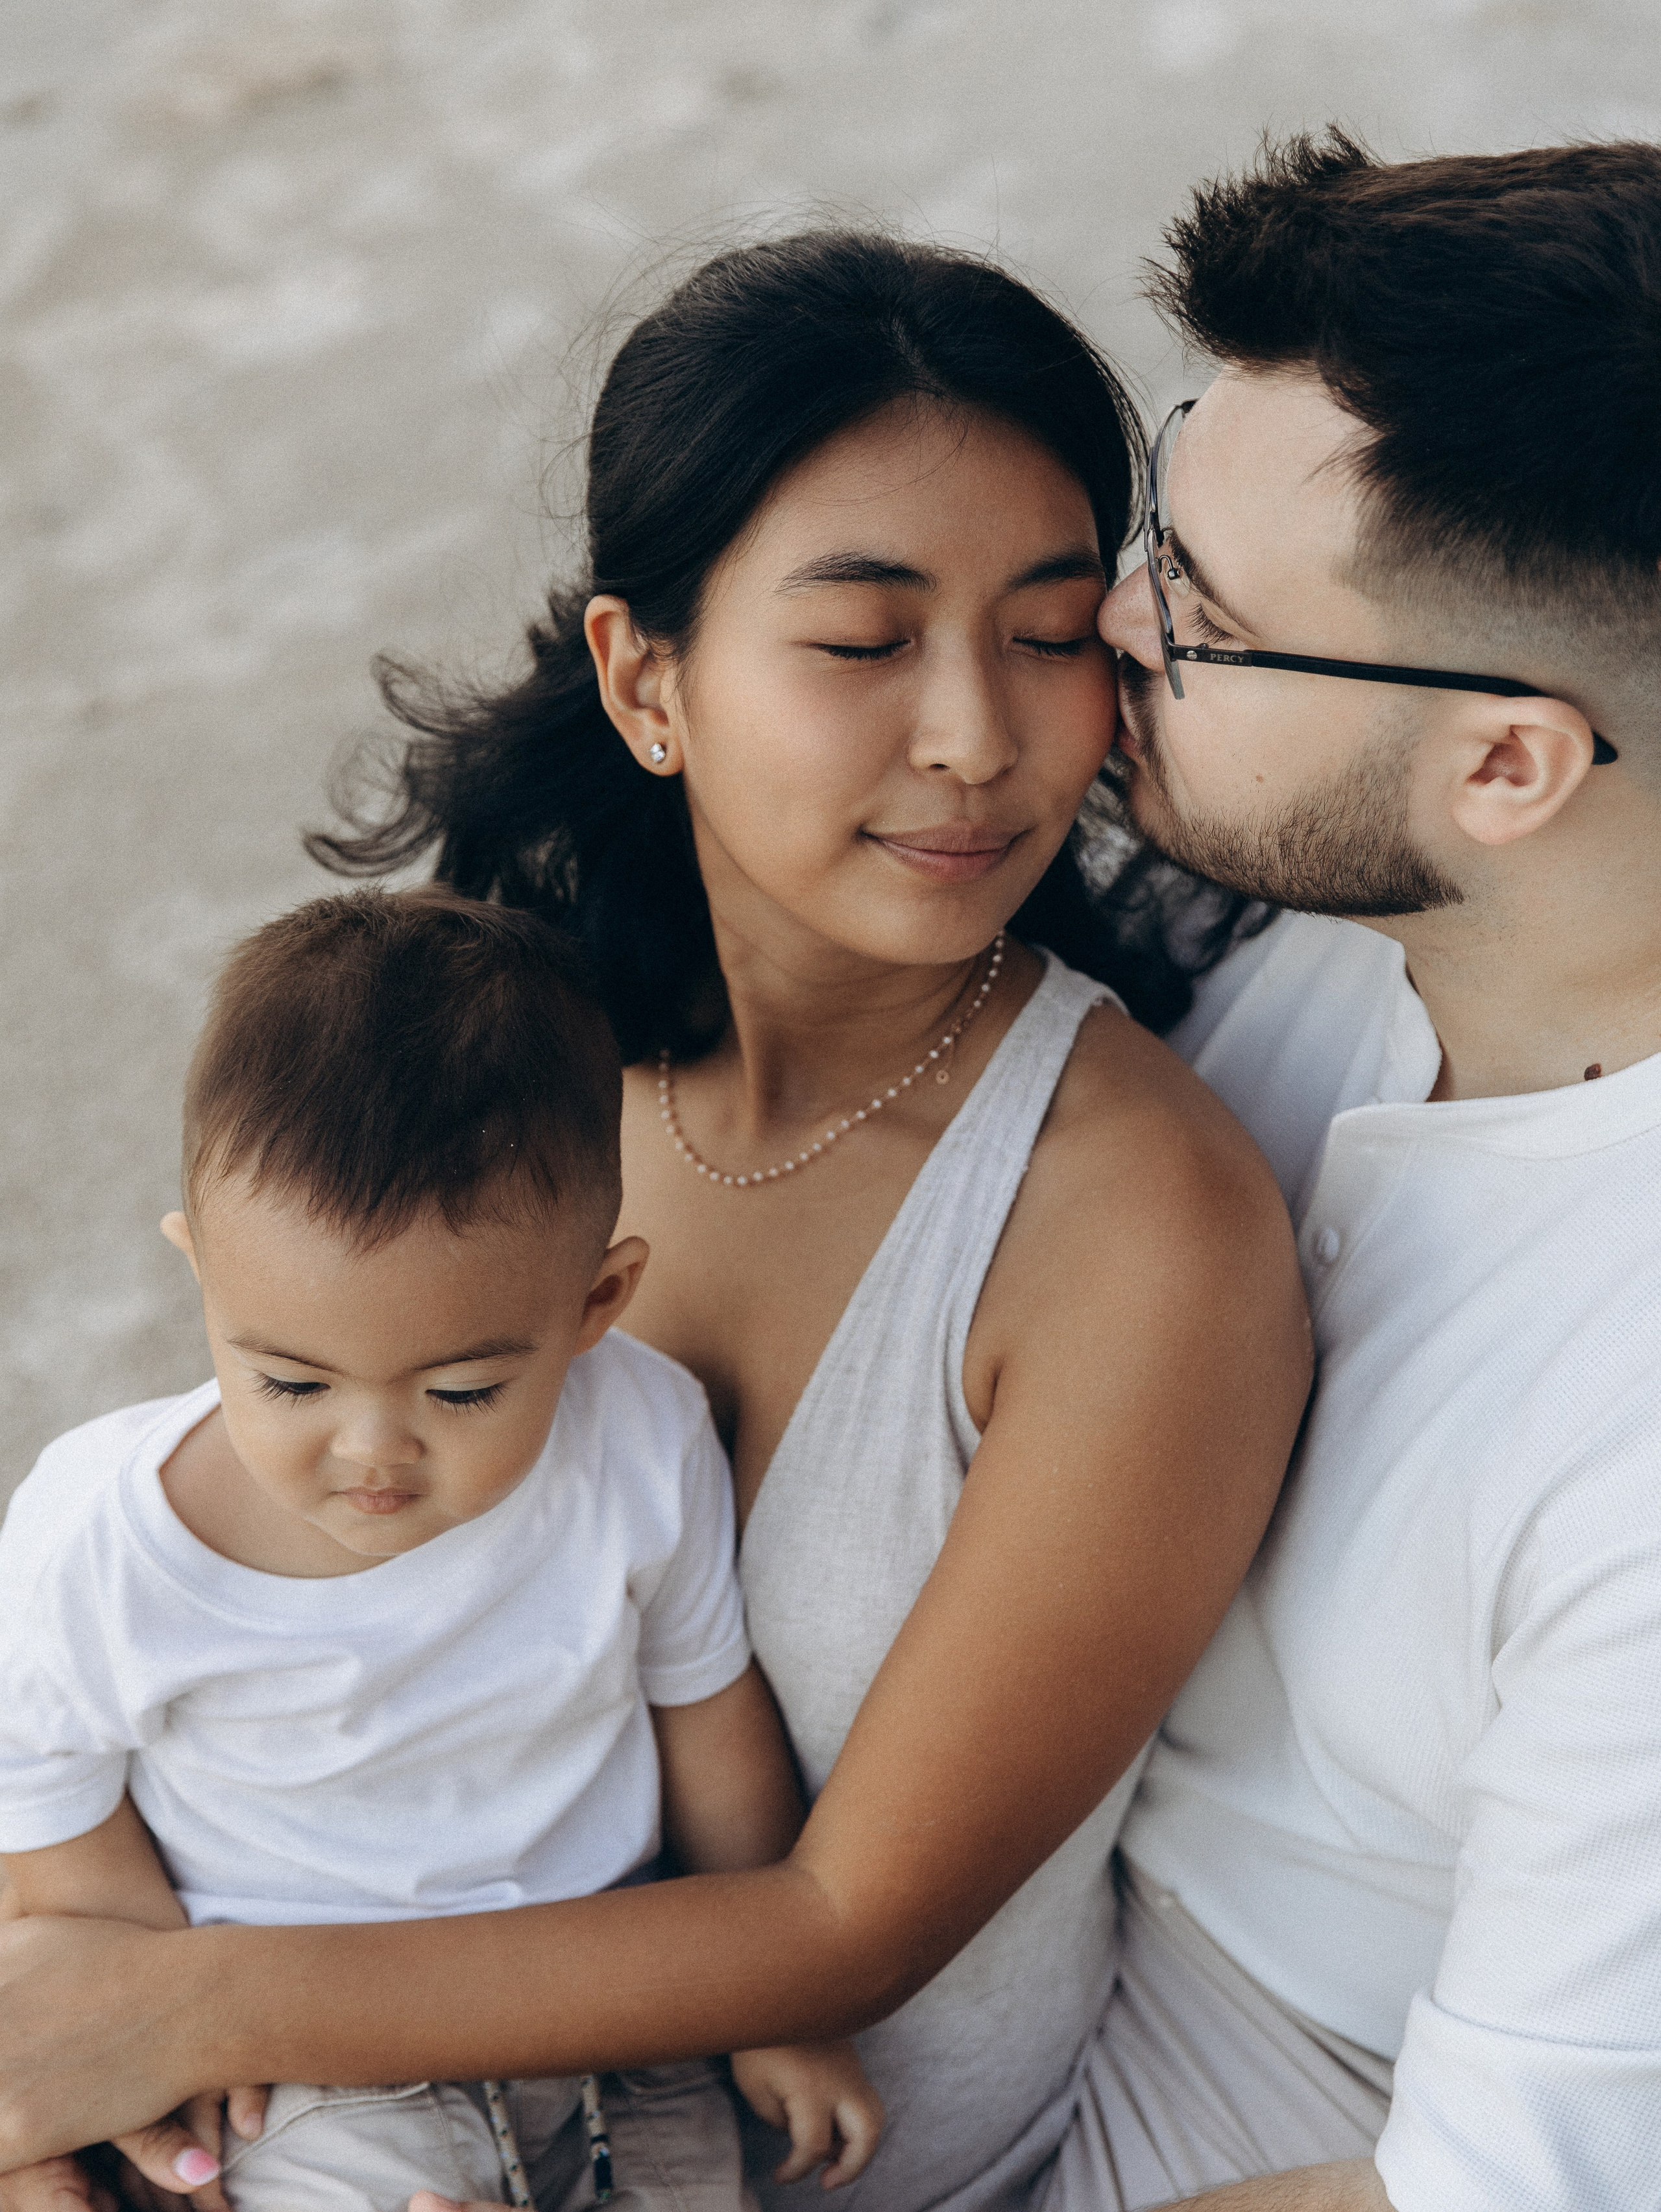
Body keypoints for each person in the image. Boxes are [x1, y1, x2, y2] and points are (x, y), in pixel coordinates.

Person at [0, 234, 1309, 2212]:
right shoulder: (523, 1053)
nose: (973, 732)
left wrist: (193, 2010)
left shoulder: (1142, 1230)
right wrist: (115, 2068)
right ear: (645, 677)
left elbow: (857, 1923)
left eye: (1051, 634)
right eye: (864, 642)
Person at [1044, 132, 1661, 2211]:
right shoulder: (1350, 892)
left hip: (1279, 2078)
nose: (1107, 617)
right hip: (1007, 1811)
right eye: (1161, 514)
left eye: (1195, 616)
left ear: (1508, 762)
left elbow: (1478, 2187)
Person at [0, 887, 884, 2212]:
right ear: (206, 1279)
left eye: (460, 1392)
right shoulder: (101, 1533)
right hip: (297, 2067)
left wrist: (775, 2004)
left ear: (595, 1302)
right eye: (290, 1383)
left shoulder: (641, 1434)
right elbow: (60, 1820)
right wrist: (153, 2048)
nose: (372, 1452)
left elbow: (705, 1712)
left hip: (614, 2011)